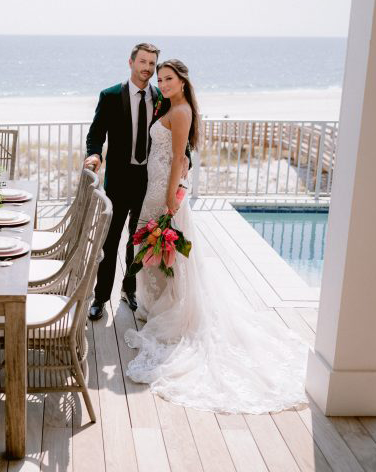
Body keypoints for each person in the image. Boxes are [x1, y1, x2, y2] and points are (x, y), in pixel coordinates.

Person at [124, 59, 307, 413]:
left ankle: (171, 308)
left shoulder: (181, 111)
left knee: (165, 248)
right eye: (160, 79)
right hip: (156, 183)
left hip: (164, 188)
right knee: (151, 246)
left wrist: (170, 196)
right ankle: (156, 304)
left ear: (183, 80)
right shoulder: (170, 105)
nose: (162, 83)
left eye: (169, 78)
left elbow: (179, 155)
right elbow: (179, 153)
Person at [84, 43, 190, 321]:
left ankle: (129, 290)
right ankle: (101, 296)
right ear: (130, 63)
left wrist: (186, 157)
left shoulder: (161, 96)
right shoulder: (109, 96)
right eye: (142, 62)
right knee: (110, 239)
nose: (147, 68)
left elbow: (174, 132)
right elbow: (96, 133)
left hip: (148, 179)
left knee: (139, 239)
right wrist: (94, 154)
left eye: (152, 64)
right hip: (118, 179)